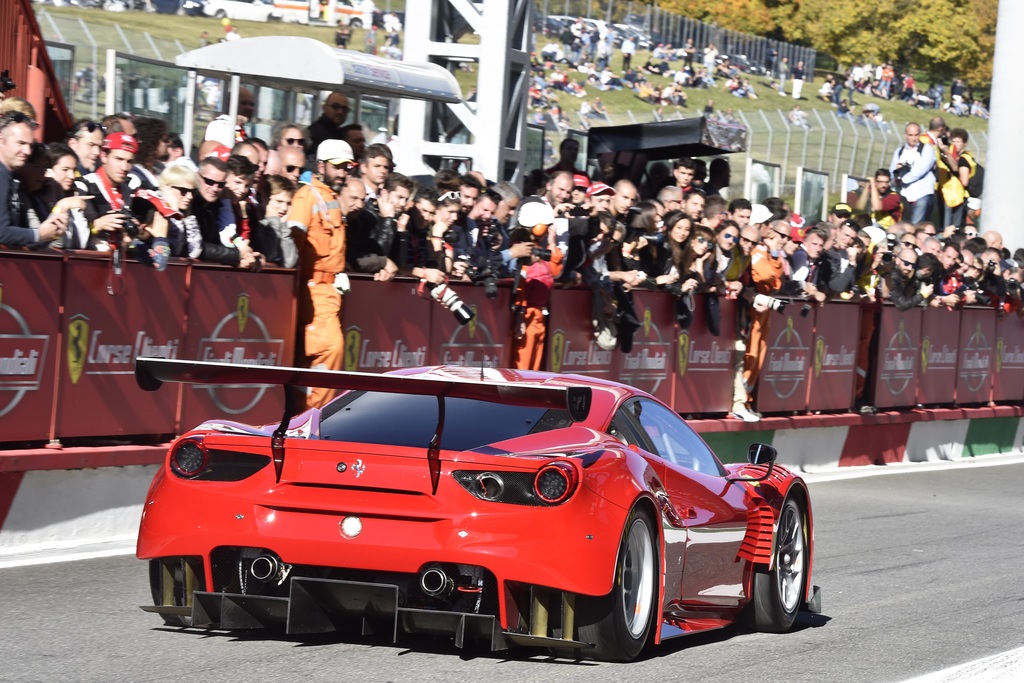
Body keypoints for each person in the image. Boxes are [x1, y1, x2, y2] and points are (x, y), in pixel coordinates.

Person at [289, 139, 359, 409]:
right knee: (329, 348)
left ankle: (303, 416)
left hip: (330, 290)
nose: (342, 172)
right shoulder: (308, 195)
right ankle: (311, 418)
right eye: (337, 166)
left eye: (346, 167)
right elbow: (293, 236)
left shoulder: (329, 196)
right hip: (314, 288)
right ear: (321, 166)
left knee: (316, 357)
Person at [510, 200, 564, 370]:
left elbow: (555, 271)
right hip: (527, 316)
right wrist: (520, 315)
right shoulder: (520, 247)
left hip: (539, 317)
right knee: (522, 369)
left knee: (535, 371)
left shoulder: (539, 248)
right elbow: (519, 284)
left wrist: (552, 242)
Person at [72, 131, 142, 250]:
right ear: (104, 156)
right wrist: (96, 225)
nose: (124, 167)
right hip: (88, 263)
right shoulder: (84, 185)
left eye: (129, 161)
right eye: (119, 159)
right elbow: (73, 237)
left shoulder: (130, 187)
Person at [889, 122, 936, 225]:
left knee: (916, 225)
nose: (913, 138)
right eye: (910, 135)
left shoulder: (926, 149)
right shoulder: (900, 151)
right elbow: (892, 170)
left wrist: (902, 179)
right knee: (903, 223)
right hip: (904, 193)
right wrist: (895, 177)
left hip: (921, 193)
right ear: (906, 135)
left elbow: (921, 170)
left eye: (916, 135)